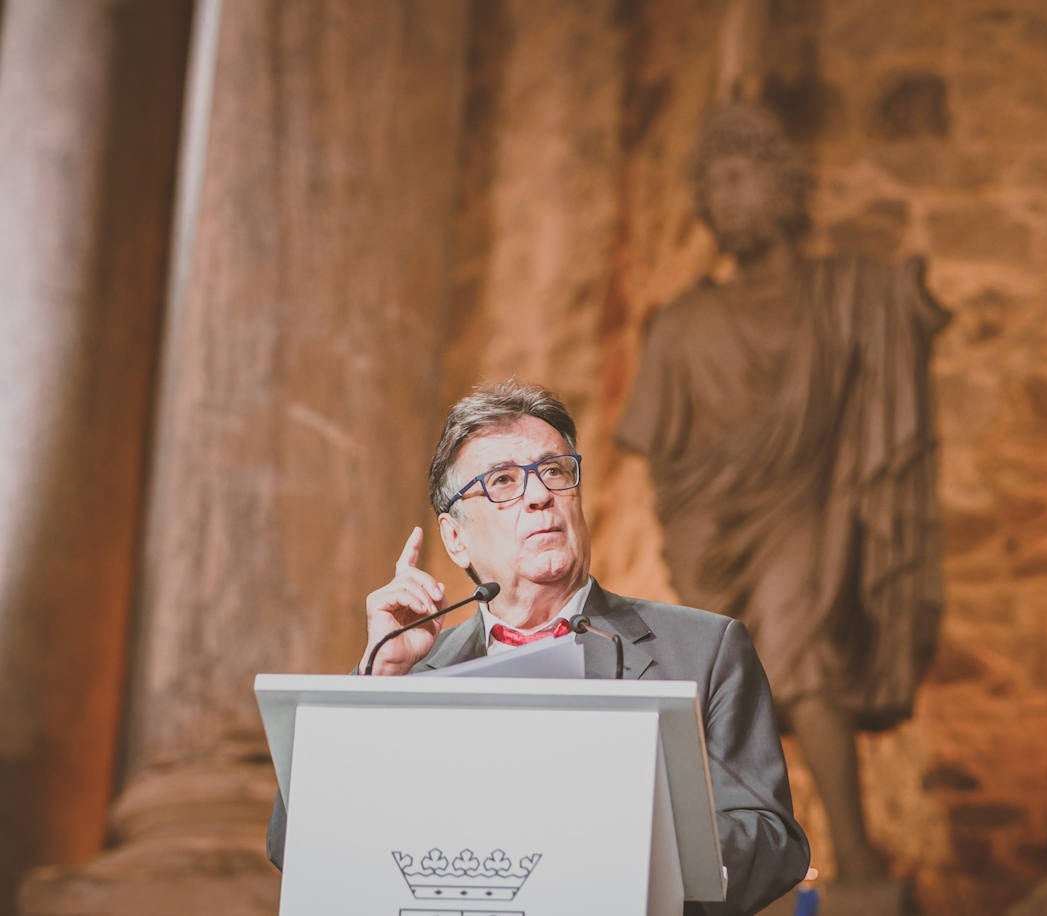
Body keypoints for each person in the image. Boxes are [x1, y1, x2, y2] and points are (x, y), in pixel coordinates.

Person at [267, 380, 809, 916]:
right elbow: (294, 846)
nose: (539, 494)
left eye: (555, 471)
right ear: (455, 537)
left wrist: (618, 846)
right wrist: (375, 684)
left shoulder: (704, 649)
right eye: (502, 481)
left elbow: (769, 840)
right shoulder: (408, 670)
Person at [616, 102, 948, 883]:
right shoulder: (684, 324)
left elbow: (906, 318)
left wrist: (909, 301)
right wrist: (693, 514)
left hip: (805, 504)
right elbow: (662, 447)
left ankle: (856, 862)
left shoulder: (844, 294)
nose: (726, 198)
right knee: (718, 677)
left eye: (741, 176)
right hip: (709, 524)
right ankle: (727, 858)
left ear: (782, 185)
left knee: (802, 652)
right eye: (713, 184)